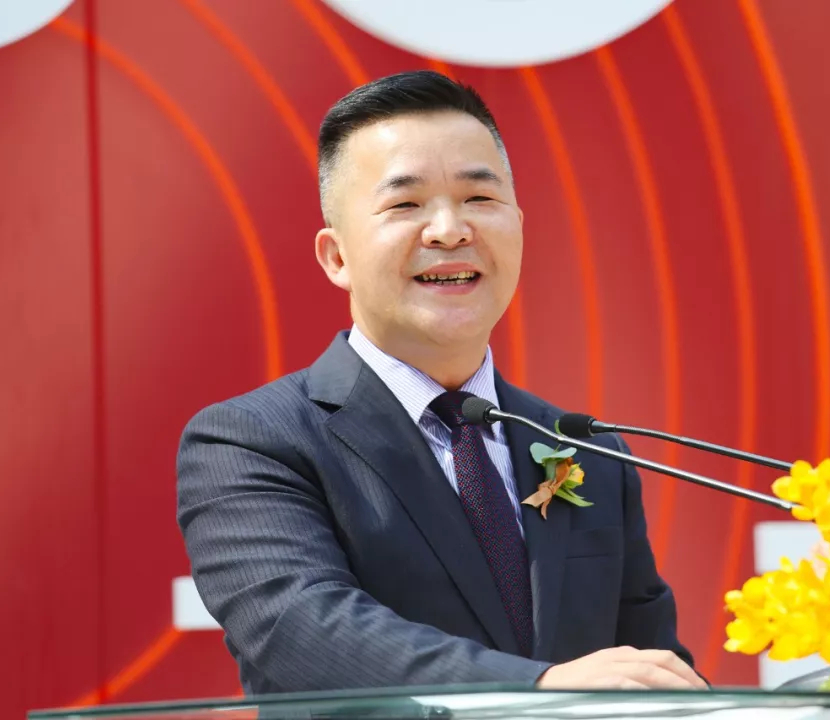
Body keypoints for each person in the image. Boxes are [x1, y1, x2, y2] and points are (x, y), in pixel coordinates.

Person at [176, 70, 705, 695]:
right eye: (405, 205)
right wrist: (537, 688)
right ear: (337, 257)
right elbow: (303, 631)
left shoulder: (585, 452)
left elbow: (649, 667)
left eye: (479, 198)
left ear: (519, 226)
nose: (450, 230)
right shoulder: (250, 441)